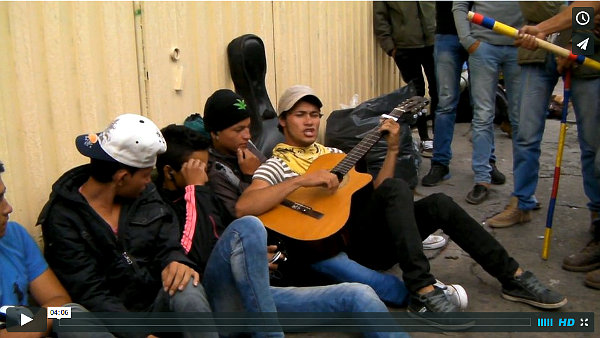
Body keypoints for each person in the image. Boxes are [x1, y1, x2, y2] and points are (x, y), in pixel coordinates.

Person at [236, 85, 567, 313]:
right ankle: (422, 288)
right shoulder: (277, 164)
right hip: (336, 249)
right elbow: (245, 206)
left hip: (368, 239)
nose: (310, 121)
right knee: (397, 191)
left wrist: (392, 148)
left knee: (438, 203)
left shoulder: (336, 154)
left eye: (315, 115)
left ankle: (514, 277)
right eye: (300, 114)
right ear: (282, 120)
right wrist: (304, 179)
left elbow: (379, 192)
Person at [155, 124, 409, 338]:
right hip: (216, 303)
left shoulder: (209, 192)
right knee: (249, 225)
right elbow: (192, 255)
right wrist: (194, 191)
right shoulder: (162, 206)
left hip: (256, 298)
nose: (207, 175)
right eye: (198, 168)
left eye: (208, 167)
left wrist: (251, 258)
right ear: (169, 172)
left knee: (358, 293)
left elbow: (223, 241)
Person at [37, 114, 216, 338]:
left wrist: (176, 261)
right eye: (144, 176)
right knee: (70, 318)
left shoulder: (146, 196)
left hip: (155, 306)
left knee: (186, 284)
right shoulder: (64, 219)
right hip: (109, 323)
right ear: (121, 178)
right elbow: (91, 293)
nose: (149, 182)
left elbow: (168, 244)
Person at [516, 1, 600, 290]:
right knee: (594, 153)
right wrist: (578, 50)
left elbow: (587, 9)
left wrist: (543, 30)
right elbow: (586, 16)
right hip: (588, 66)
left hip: (591, 71)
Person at [0, 161, 114, 338]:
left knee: (72, 314)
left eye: (3, 196)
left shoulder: (15, 235)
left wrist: (33, 327)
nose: (8, 208)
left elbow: (60, 303)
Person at [485, 2, 564, 228]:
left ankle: (596, 218)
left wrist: (577, 44)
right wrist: (544, 26)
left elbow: (586, 10)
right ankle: (522, 202)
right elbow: (534, 9)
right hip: (535, 47)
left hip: (580, 44)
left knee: (591, 143)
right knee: (526, 133)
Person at [453, 1, 522, 204]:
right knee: (483, 115)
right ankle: (482, 179)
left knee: (520, 118)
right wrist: (468, 40)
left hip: (520, 46)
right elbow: (459, 5)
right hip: (484, 47)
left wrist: (547, 35)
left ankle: (523, 191)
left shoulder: (585, 11)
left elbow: (564, 8)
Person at [373, 1, 438, 157]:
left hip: (434, 44)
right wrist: (390, 48)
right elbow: (380, 18)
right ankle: (425, 138)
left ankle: (440, 137)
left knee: (439, 91)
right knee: (416, 94)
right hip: (405, 48)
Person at [421, 1, 470, 186]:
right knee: (445, 103)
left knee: (483, 105)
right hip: (446, 33)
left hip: (481, 32)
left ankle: (487, 164)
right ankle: (440, 163)